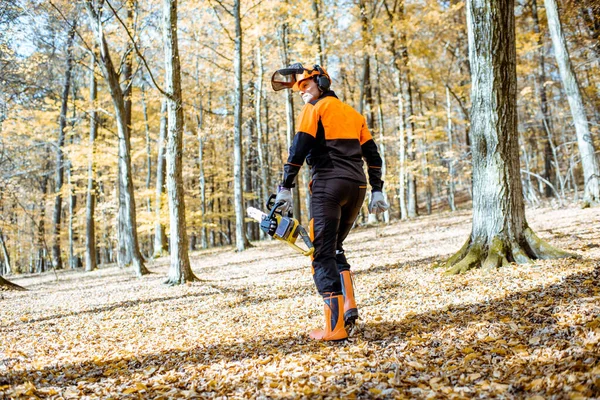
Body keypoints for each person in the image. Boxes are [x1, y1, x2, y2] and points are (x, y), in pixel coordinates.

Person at [271, 63, 389, 341]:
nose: (302, 92)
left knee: (321, 253)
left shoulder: (314, 110)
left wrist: (285, 187)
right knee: (334, 247)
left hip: (329, 186)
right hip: (357, 187)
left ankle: (334, 328)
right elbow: (373, 156)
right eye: (299, 89)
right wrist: (377, 191)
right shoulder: (354, 114)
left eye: (306, 86)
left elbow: (298, 147)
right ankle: (349, 307)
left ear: (321, 83)